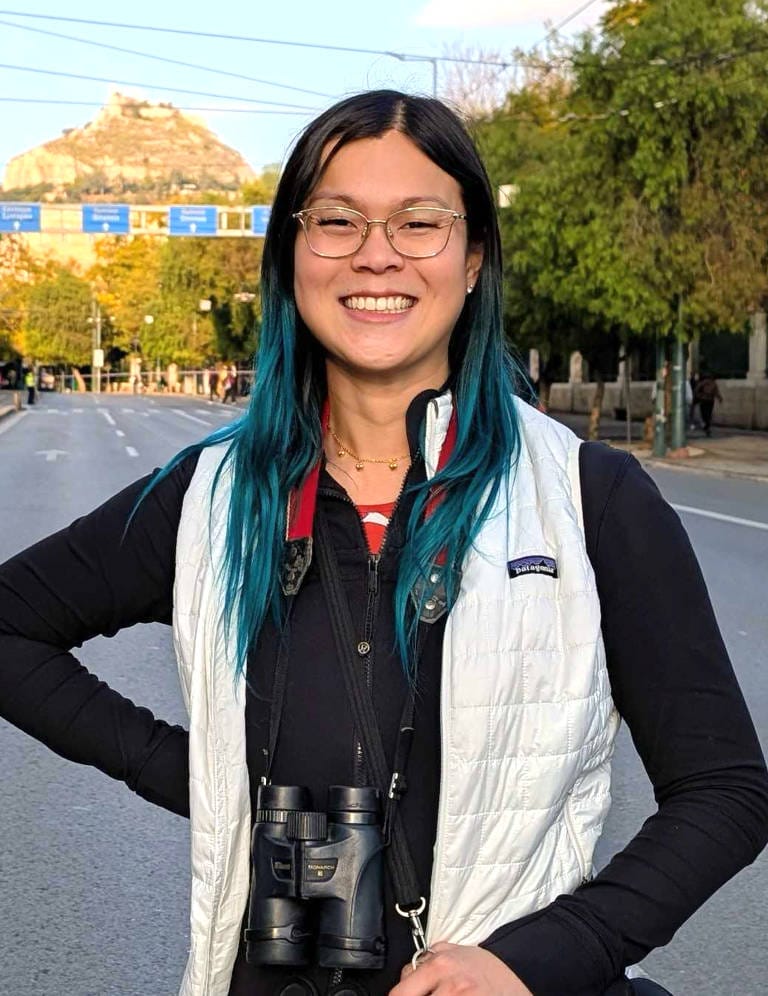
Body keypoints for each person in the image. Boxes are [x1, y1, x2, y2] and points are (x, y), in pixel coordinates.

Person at [0, 91, 766, 996]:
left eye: (419, 222)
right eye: (337, 221)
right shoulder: (210, 493)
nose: (377, 253)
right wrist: (208, 780)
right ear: (291, 257)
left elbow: (725, 790)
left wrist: (541, 959)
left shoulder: (586, 496)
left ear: (474, 259)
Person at [693, 369, 723, 436]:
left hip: (706, 400)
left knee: (705, 414)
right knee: (707, 414)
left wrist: (699, 396)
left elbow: (696, 390)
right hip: (707, 400)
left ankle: (706, 426)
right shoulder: (710, 383)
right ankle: (707, 426)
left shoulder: (706, 383)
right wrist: (719, 398)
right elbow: (716, 392)